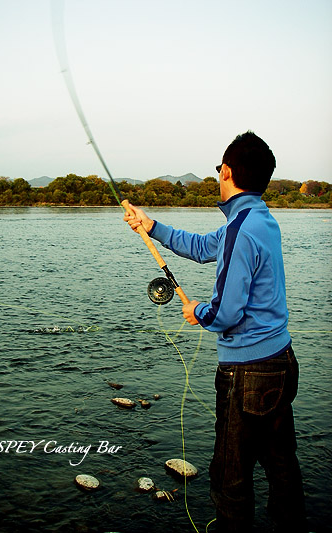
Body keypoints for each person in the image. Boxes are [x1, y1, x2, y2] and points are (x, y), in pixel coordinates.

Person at [124, 131, 307, 533]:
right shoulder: (259, 219)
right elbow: (204, 246)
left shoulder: (242, 228)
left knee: (230, 474)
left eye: (218, 171)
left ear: (226, 171)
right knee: (281, 466)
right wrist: (150, 225)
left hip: (248, 372)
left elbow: (225, 313)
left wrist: (197, 312)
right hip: (281, 361)